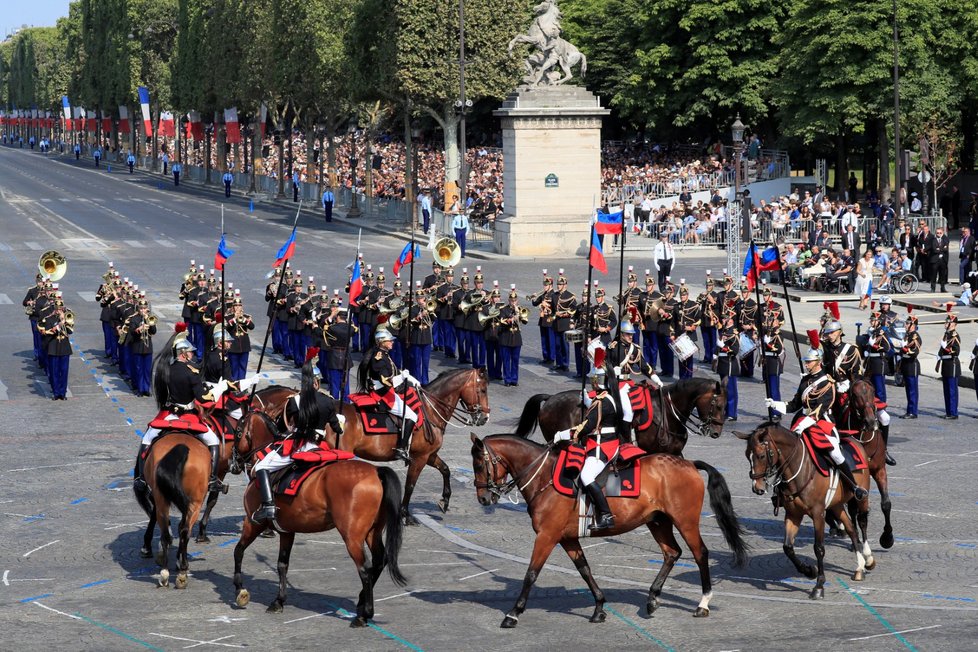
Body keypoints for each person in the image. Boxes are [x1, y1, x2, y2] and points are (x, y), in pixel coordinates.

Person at [766, 335, 869, 500]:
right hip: (802, 421)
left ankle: (853, 485)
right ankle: (780, 489)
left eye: (809, 362)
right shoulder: (805, 381)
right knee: (785, 450)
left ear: (818, 362)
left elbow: (819, 411)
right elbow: (794, 405)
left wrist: (804, 424)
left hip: (822, 424)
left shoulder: (827, 383)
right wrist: (774, 404)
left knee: (835, 453)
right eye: (806, 362)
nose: (806, 364)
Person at [251, 356, 344, 523]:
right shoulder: (328, 402)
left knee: (262, 466)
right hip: (319, 445)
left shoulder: (294, 401)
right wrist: (340, 420)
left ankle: (268, 506)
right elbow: (338, 429)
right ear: (317, 382)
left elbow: (282, 428)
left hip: (299, 445)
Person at [134, 333, 228, 493]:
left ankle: (141, 478)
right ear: (184, 353)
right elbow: (202, 399)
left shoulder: (166, 370)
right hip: (189, 416)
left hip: (169, 414)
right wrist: (217, 391)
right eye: (190, 352)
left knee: (148, 438)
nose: (192, 354)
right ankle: (212, 479)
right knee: (213, 441)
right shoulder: (191, 373)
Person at [553, 351, 618, 531]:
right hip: (600, 440)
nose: (591, 382)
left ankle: (606, 515)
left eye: (593, 379)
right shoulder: (602, 399)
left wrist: (563, 434)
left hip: (603, 444)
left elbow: (587, 427)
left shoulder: (603, 402)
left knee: (586, 476)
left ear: (598, 380)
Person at [358, 328, 420, 462]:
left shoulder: (384, 354)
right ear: (381, 342)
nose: (392, 342)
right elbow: (386, 381)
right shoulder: (378, 358)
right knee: (412, 416)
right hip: (382, 393)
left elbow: (394, 371)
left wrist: (410, 378)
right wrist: (402, 377)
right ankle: (401, 448)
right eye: (389, 341)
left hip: (385, 388)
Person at [498, 287, 526, 386]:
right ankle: (507, 379)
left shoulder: (519, 309)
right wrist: (510, 319)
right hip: (506, 337)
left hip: (516, 339)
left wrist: (518, 313)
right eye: (511, 300)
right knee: (506, 360)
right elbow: (502, 321)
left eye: (514, 300)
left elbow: (525, 321)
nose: (513, 302)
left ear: (517, 300)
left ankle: (514, 379)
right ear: (508, 300)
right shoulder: (503, 309)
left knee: (515, 360)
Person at [129, 300, 157, 396]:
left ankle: (146, 388)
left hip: (147, 347)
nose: (143, 310)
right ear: (138, 309)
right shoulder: (134, 319)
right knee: (139, 369)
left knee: (147, 369)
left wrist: (148, 321)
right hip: (137, 346)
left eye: (145, 308)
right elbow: (131, 332)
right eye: (141, 308)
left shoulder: (149, 318)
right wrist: (139, 329)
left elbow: (153, 331)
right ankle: (140, 389)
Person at [716, 306, 740, 421]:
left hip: (730, 363)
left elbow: (734, 350)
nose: (723, 320)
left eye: (725, 319)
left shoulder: (734, 333)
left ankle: (732, 413)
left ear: (730, 320)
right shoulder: (723, 331)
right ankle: (726, 411)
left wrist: (723, 347)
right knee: (724, 389)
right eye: (723, 319)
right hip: (722, 363)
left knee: (731, 390)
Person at [938, 312, 961, 419]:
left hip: (952, 364)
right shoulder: (946, 334)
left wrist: (945, 348)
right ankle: (948, 411)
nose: (946, 323)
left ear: (954, 324)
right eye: (947, 322)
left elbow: (956, 351)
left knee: (952, 390)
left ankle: (953, 413)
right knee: (946, 390)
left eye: (949, 322)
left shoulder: (954, 335)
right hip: (945, 365)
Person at [531, 271, 556, 365]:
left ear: (551, 285)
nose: (544, 287)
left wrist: (547, 306)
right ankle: (545, 356)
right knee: (544, 339)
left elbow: (555, 308)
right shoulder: (543, 295)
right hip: (542, 320)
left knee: (551, 339)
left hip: (549, 320)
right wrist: (533, 297)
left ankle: (552, 357)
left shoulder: (554, 295)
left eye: (546, 285)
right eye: (544, 285)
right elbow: (534, 303)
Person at [934, 226, 950, 292]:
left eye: (940, 233)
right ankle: (933, 288)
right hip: (936, 259)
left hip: (943, 259)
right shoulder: (934, 239)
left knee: (943, 274)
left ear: (942, 232)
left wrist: (939, 249)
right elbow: (934, 249)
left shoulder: (945, 238)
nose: (939, 234)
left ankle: (942, 288)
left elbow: (945, 248)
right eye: (937, 233)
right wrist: (941, 249)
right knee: (934, 274)